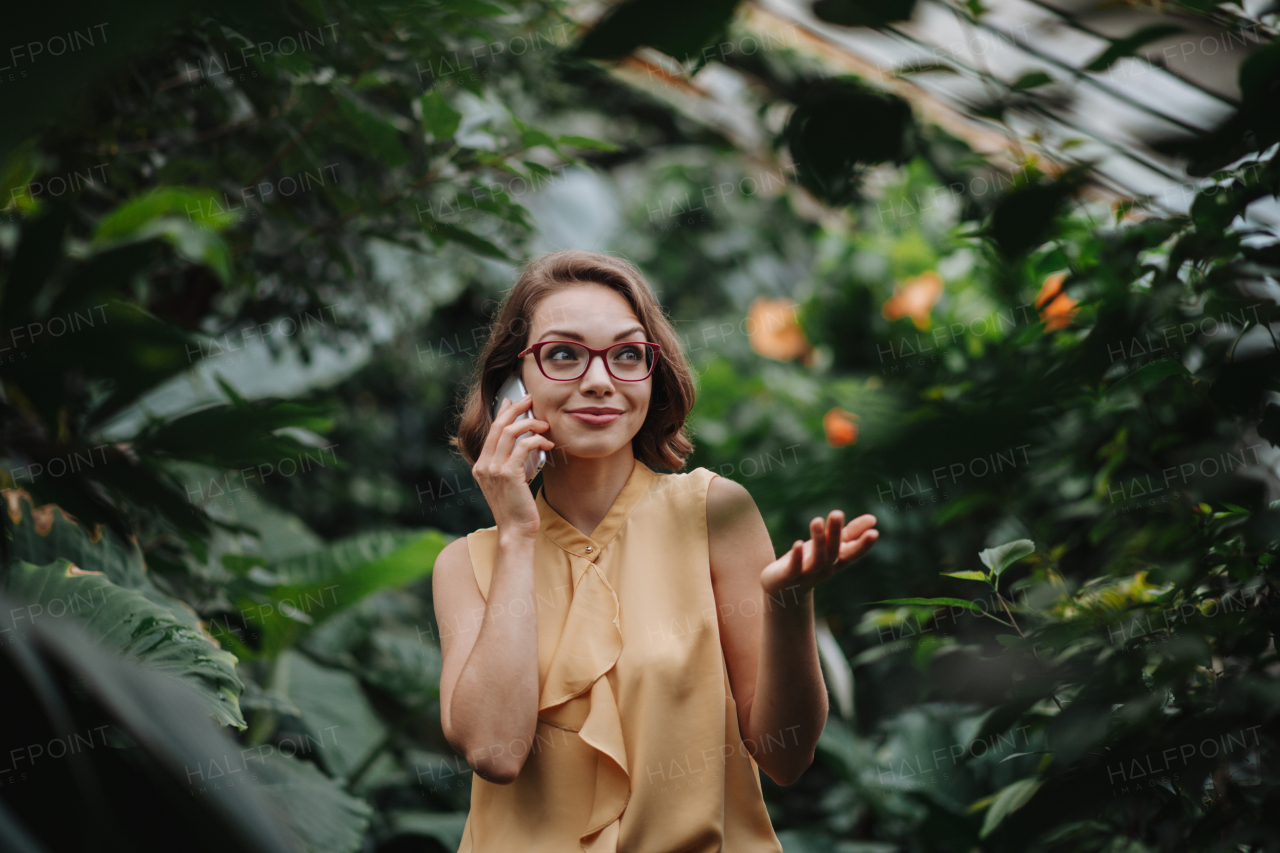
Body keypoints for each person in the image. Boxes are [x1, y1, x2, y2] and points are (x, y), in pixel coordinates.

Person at [433, 250, 879, 852]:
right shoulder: (467, 564)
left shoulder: (714, 512)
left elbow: (787, 756)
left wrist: (790, 603)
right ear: (514, 384)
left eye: (626, 355)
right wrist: (516, 535)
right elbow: (495, 751)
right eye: (563, 354)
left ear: (653, 372)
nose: (599, 379)